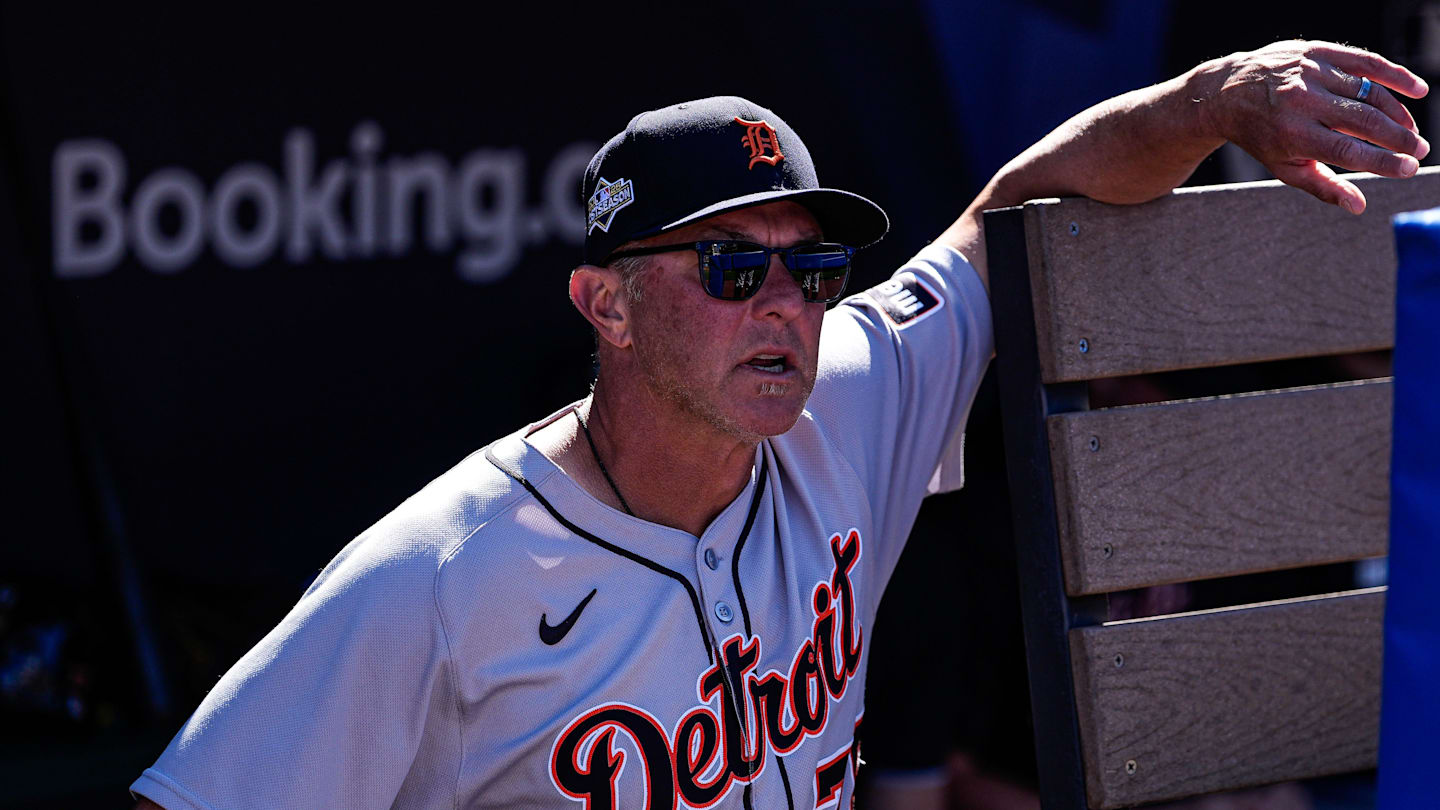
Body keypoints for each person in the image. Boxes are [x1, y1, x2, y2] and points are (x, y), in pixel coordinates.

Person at [131, 40, 1427, 809]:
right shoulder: (438, 575)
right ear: (610, 305)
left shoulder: (845, 398)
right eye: (731, 269)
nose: (789, 307)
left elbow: (1011, 207)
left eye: (810, 269)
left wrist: (1209, 100)